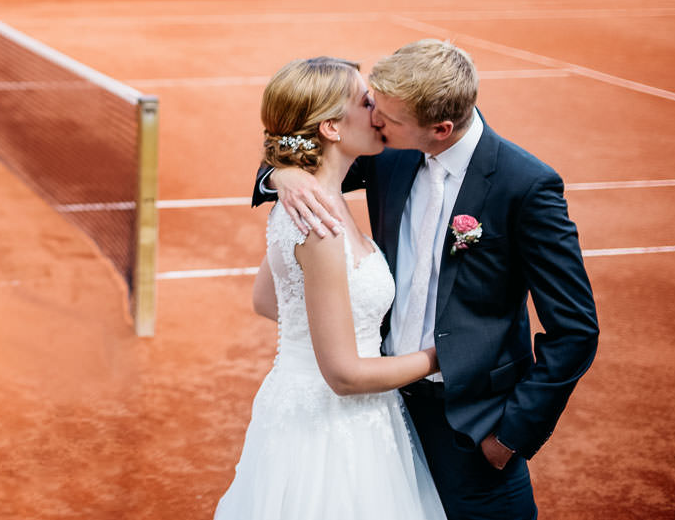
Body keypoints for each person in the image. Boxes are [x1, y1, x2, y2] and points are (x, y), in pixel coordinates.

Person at [253, 39, 599, 520]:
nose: (374, 118)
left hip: (473, 424)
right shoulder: (388, 152)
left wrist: (511, 435)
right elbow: (305, 143)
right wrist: (280, 175)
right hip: (384, 409)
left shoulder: (525, 186)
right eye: (370, 104)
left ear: (439, 128)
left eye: (386, 116)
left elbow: (577, 329)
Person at [216, 56, 446, 520]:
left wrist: (330, 324)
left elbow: (267, 298)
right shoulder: (319, 221)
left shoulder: (308, 202)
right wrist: (442, 355)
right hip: (333, 429)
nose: (377, 109)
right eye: (365, 101)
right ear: (331, 129)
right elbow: (343, 375)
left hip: (307, 411)